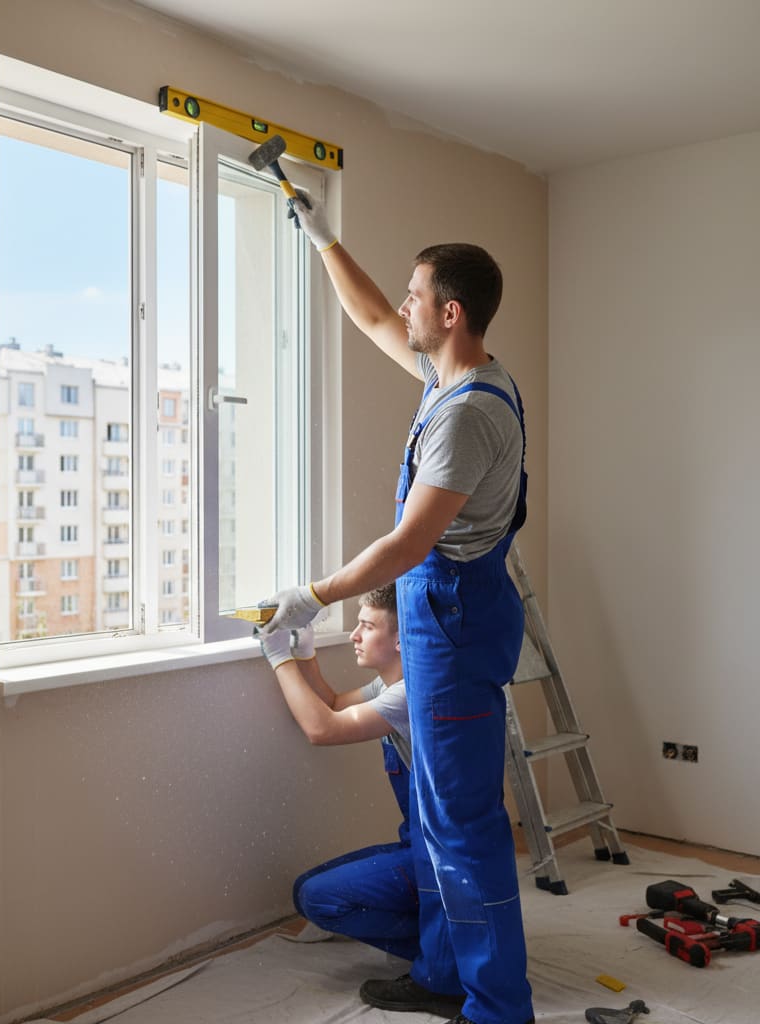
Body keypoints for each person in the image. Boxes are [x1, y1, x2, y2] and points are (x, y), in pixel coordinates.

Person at [259, 195, 534, 1024]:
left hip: (454, 618)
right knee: (437, 819)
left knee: (464, 827)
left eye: (419, 295)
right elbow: (375, 316)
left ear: (451, 313)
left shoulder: (468, 415)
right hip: (447, 611)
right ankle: (445, 974)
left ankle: (497, 1007)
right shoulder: (450, 376)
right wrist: (323, 239)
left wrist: (315, 595)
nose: (405, 306)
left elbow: (410, 544)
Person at [258, 584, 421, 961]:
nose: (354, 635)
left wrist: (279, 657)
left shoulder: (408, 693)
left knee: (317, 898)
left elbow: (322, 729)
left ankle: (436, 945)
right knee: (305, 887)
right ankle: (435, 923)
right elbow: (332, 704)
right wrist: (304, 652)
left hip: (438, 852)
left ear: (400, 640)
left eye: (367, 626)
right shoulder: (390, 683)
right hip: (417, 841)